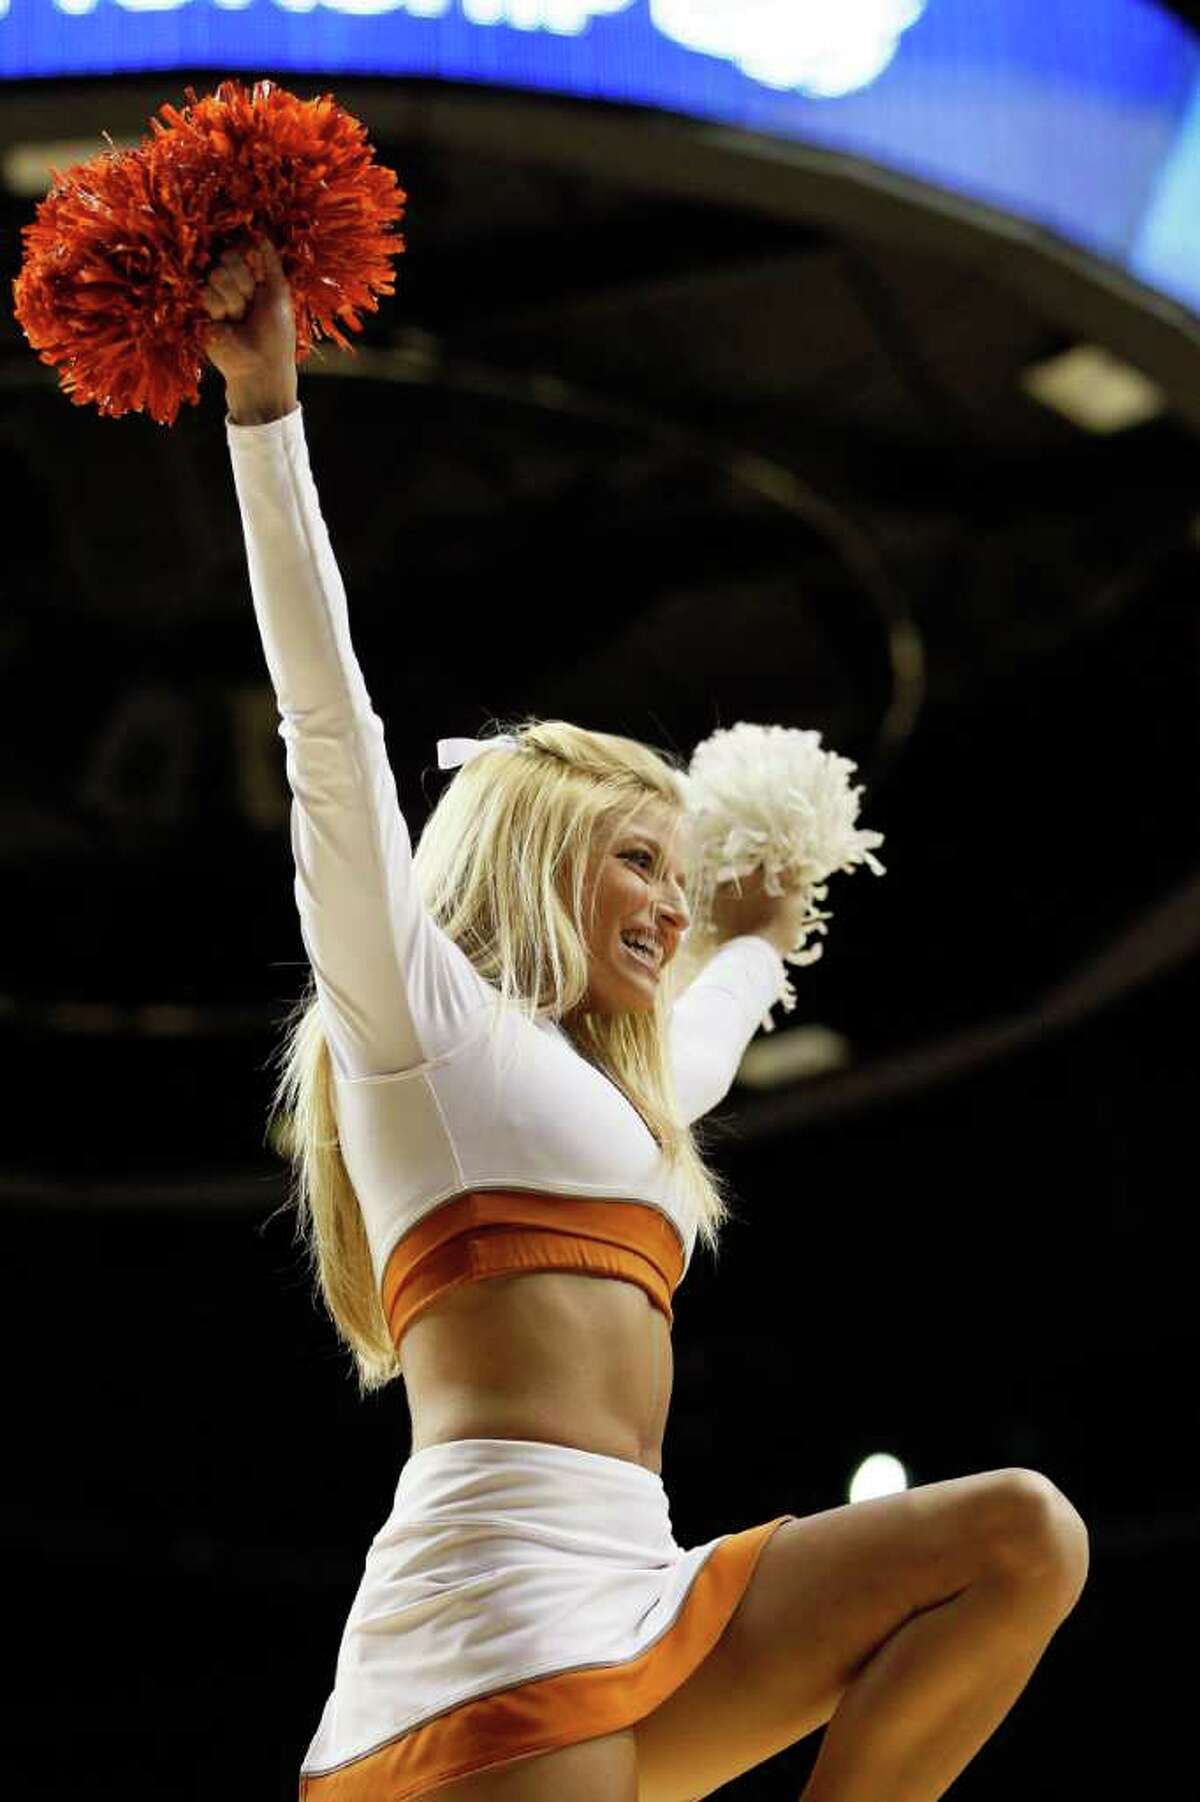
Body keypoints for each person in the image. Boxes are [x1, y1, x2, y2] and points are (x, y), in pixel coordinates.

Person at [205, 238, 1090, 1802]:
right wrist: (267, 415)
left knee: (1022, 1532)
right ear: (538, 858)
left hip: (654, 1585)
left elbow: (713, 1024)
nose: (668, 905)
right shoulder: (423, 1033)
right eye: (637, 860)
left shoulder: (622, 1100)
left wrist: (752, 920)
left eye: (676, 878)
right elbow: (327, 730)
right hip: (489, 1622)